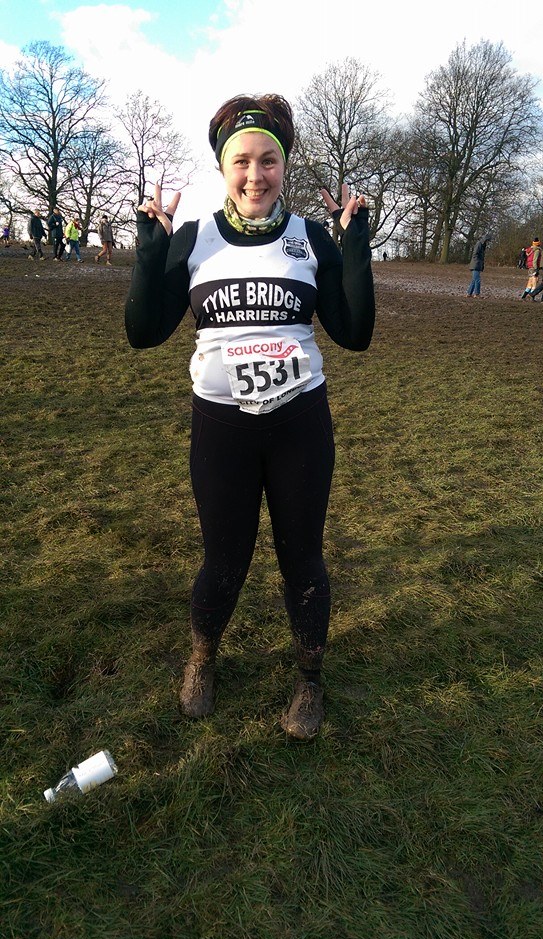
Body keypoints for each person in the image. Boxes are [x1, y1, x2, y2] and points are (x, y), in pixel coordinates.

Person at [124, 93, 375, 740]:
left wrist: (355, 251)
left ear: (283, 167)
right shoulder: (194, 238)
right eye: (241, 161)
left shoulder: (309, 237)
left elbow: (354, 335)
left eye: (268, 161)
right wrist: (150, 257)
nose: (255, 174)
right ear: (222, 168)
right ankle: (202, 660)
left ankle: (309, 681)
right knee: (223, 559)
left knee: (302, 559)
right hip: (221, 429)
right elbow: (144, 333)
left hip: (298, 426)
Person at [466, 233, 491, 297]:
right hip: (476, 264)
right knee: (477, 280)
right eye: (488, 240)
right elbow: (475, 254)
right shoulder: (479, 244)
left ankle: (469, 293)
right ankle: (477, 294)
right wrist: (478, 262)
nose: (488, 242)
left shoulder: (481, 245)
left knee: (474, 280)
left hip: (477, 264)